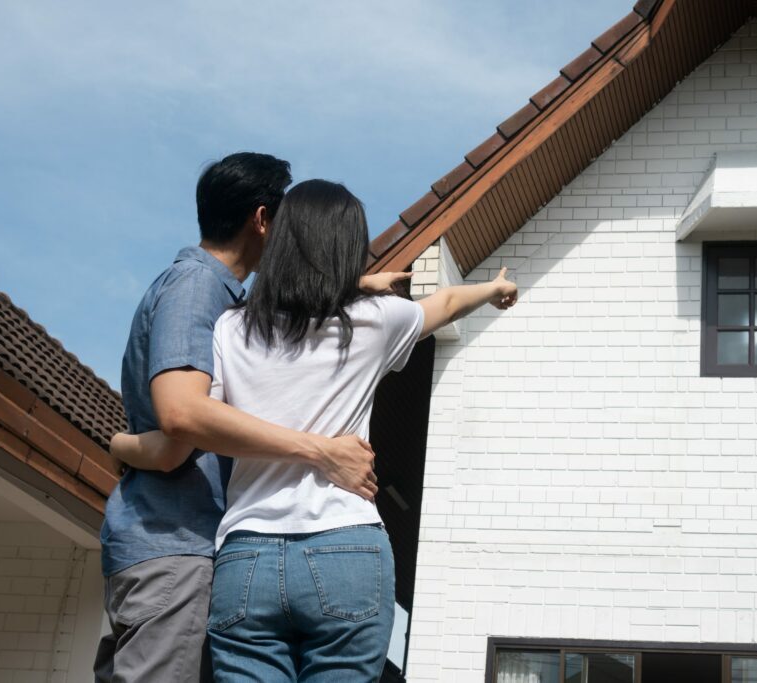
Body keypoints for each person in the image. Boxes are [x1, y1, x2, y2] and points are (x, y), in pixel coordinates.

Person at [118, 178, 518, 681]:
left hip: (247, 555)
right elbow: (447, 303)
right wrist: (495, 288)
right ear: (348, 250)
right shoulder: (376, 321)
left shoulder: (230, 328)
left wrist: (121, 442)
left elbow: (194, 426)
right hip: (346, 547)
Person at [97, 153, 408, 683]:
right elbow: (181, 415)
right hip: (176, 542)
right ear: (262, 220)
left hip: (194, 546)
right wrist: (320, 449)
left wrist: (353, 286)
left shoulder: (231, 305)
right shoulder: (199, 289)